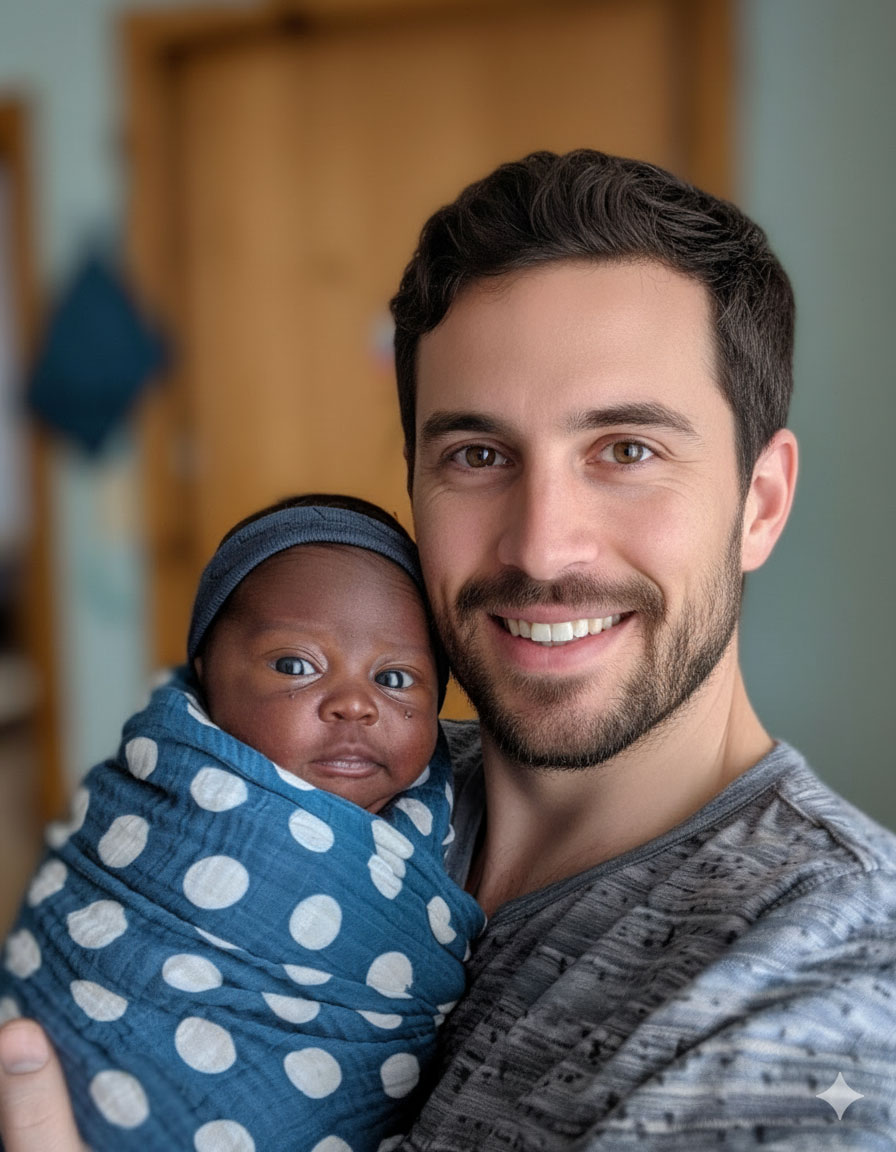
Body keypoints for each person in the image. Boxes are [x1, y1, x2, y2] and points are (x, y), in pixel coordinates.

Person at [3, 148, 896, 1149]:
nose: (540, 547)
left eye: (626, 451)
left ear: (758, 504)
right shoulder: (315, 773)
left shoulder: (827, 986)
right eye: (477, 455)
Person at [0, 494, 485, 1152]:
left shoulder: (444, 815)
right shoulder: (161, 790)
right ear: (206, 673)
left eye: (396, 678)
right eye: (296, 666)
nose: (355, 704)